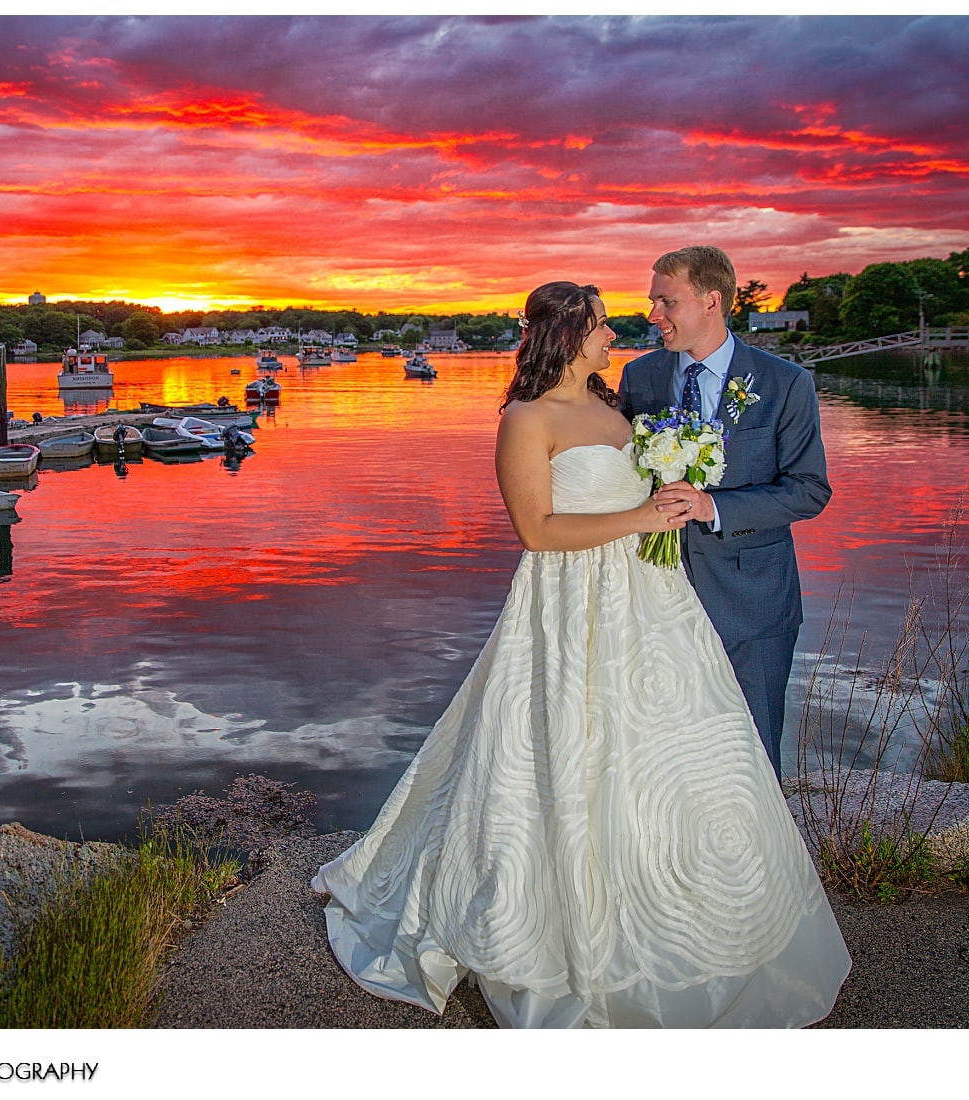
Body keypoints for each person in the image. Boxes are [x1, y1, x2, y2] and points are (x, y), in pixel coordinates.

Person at [312, 281, 850, 1028]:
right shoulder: (525, 420)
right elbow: (536, 531)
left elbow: (657, 488)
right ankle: (560, 924)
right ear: (567, 336)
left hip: (651, 602)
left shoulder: (617, 406)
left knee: (677, 750)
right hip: (566, 606)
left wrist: (672, 487)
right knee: (564, 749)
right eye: (600, 326)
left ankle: (687, 904)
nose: (614, 335)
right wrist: (639, 513)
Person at [619, 246, 831, 779]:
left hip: (752, 602)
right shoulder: (639, 379)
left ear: (712, 301)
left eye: (666, 302)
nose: (653, 316)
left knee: (752, 755)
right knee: (663, 756)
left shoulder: (785, 383)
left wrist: (714, 507)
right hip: (655, 596)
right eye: (652, 302)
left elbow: (809, 490)